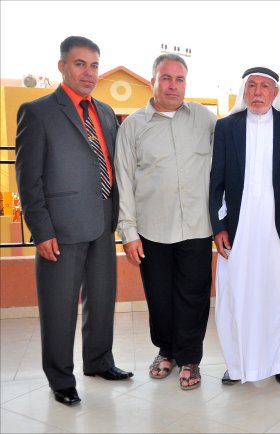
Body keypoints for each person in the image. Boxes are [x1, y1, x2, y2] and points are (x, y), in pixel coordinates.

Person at [15, 36, 133, 407]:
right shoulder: (38, 112)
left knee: (102, 298)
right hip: (60, 228)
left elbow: (111, 163)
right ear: (62, 66)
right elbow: (28, 178)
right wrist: (41, 230)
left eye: (94, 65)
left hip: (102, 220)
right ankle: (61, 379)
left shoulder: (106, 112)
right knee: (59, 306)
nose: (88, 72)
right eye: (80, 63)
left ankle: (99, 361)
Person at [115, 53, 216, 391]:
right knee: (159, 297)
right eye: (166, 78)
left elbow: (229, 156)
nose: (173, 85)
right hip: (152, 229)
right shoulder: (133, 126)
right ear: (153, 81)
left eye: (180, 79)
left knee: (194, 296)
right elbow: (124, 181)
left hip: (197, 227)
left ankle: (190, 358)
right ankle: (166, 351)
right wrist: (129, 232)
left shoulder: (204, 119)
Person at [209, 67, 280, 386]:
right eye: (251, 85)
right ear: (244, 90)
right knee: (236, 292)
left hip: (278, 227)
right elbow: (216, 180)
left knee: (279, 292)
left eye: (265, 86)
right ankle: (238, 364)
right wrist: (219, 226)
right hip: (238, 228)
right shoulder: (226, 127)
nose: (257, 92)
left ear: (275, 93)